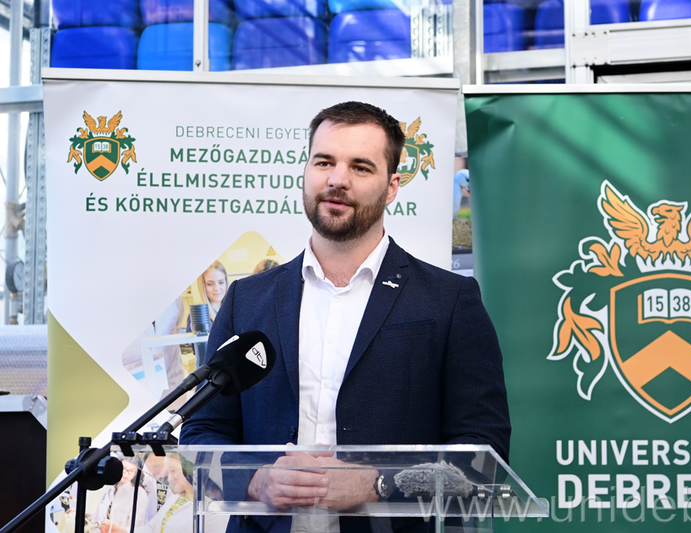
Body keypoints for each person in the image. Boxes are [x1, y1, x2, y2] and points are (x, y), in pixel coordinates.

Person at [180, 101, 511, 532]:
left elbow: (483, 452)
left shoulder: (448, 300)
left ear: (391, 187)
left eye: (360, 167)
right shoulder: (247, 299)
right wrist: (256, 480)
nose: (337, 179)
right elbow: (202, 431)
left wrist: (378, 484)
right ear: (306, 171)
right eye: (324, 162)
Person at [99, 455, 227, 533]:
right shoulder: (177, 498)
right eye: (168, 473)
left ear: (190, 469)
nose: (169, 479)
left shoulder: (214, 507)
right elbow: (153, 528)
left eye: (173, 471)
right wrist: (123, 531)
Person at [93, 457, 149, 531]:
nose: (126, 474)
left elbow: (137, 527)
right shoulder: (109, 486)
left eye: (131, 471)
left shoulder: (139, 494)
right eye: (124, 468)